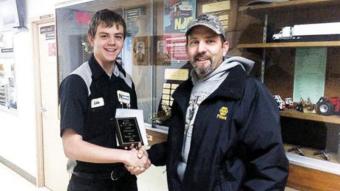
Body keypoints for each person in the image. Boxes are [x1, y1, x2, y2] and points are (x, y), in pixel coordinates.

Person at [146, 14, 289, 191]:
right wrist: (149, 155)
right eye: (194, 42)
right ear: (187, 48)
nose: (201, 49)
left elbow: (270, 167)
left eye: (210, 41)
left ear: (224, 47)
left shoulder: (249, 92)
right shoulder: (183, 92)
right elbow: (182, 145)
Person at [59, 9, 150, 191]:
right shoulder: (77, 82)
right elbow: (71, 147)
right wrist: (124, 157)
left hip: (125, 182)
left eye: (118, 36)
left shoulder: (126, 82)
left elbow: (130, 134)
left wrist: (139, 157)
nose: (112, 42)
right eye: (104, 36)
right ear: (91, 38)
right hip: (88, 184)